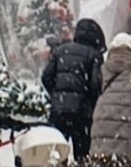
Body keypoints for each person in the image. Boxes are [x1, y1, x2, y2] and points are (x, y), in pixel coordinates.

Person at [41, 18, 106, 158]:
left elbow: (46, 77)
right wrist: (89, 101)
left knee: (55, 154)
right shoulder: (94, 55)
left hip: (58, 112)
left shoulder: (60, 50)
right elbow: (95, 85)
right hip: (81, 114)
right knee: (82, 157)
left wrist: (57, 95)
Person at [89, 34, 131, 158]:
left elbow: (95, 90)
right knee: (122, 160)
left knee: (100, 157)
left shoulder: (104, 68)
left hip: (102, 115)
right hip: (126, 117)